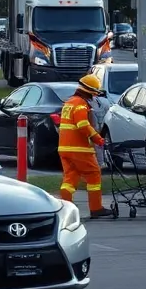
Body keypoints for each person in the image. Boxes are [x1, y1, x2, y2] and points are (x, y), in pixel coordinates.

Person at [57, 73, 111, 220]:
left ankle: (65, 209)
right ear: (90, 92)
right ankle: (96, 208)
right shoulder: (80, 104)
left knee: (69, 180)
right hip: (79, 149)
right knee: (94, 174)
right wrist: (98, 139)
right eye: (94, 94)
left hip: (64, 148)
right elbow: (83, 125)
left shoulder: (69, 103)